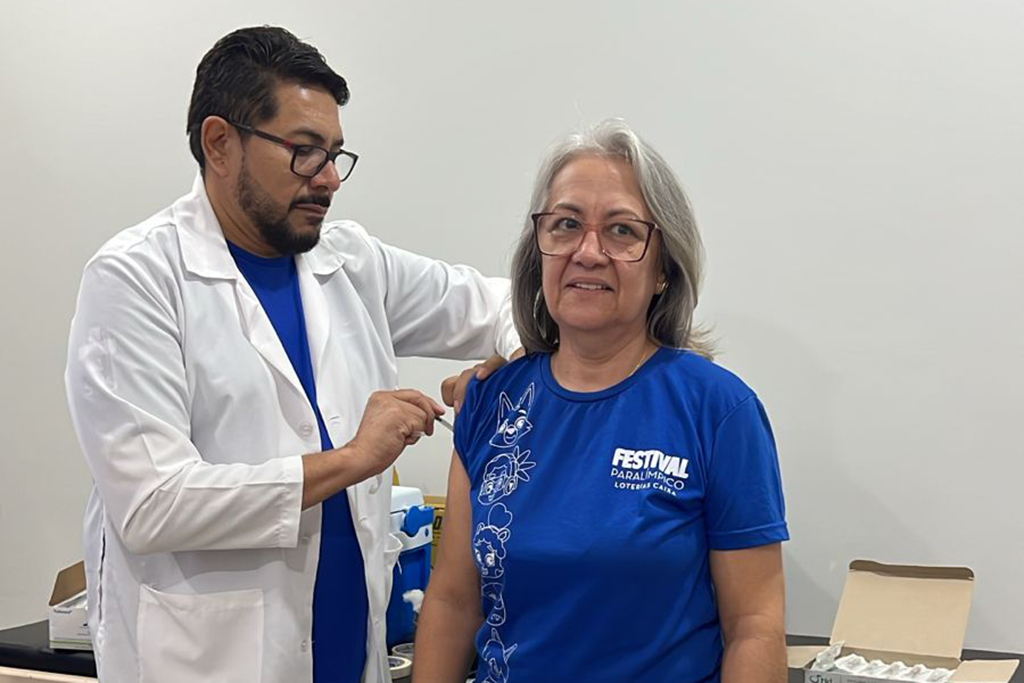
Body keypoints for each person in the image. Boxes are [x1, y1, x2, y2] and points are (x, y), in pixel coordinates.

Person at [64, 26, 516, 683]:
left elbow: (504, 304)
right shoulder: (137, 278)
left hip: (347, 657)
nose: (329, 179)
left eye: (335, 155)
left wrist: (513, 365)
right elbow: (153, 503)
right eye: (305, 153)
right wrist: (353, 459)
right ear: (220, 143)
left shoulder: (351, 262)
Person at [413, 119, 789, 683]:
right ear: (539, 251)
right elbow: (452, 602)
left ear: (663, 270)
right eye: (566, 225)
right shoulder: (493, 403)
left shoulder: (718, 409)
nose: (588, 252)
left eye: (621, 231)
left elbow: (754, 626)